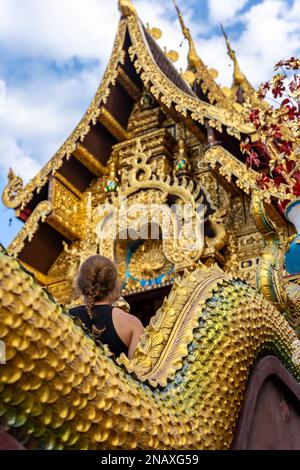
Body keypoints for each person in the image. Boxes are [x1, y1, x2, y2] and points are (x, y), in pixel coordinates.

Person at [69, 255, 144, 359]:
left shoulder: (65, 317)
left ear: (80, 283)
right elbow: (138, 372)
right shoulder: (132, 324)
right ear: (114, 285)